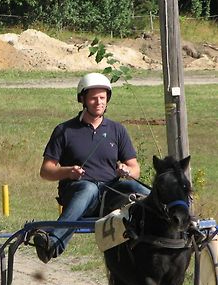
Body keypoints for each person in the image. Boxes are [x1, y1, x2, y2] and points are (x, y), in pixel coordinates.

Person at [32, 72, 150, 263]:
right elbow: (46, 171)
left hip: (110, 195)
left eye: (102, 98)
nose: (99, 102)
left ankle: (176, 215)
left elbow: (134, 168)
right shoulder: (64, 130)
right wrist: (68, 171)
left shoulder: (117, 130)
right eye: (94, 98)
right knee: (89, 187)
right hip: (78, 193)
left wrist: (127, 172)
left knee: (135, 187)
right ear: (83, 100)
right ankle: (53, 244)